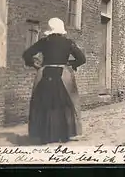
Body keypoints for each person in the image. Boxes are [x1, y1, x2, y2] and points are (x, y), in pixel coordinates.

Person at [22, 17, 86, 145]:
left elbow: (27, 54)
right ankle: (64, 134)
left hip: (45, 74)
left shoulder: (44, 41)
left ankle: (45, 135)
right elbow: (82, 59)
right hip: (63, 75)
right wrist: (70, 64)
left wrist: (34, 64)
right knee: (65, 104)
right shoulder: (68, 42)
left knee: (44, 104)